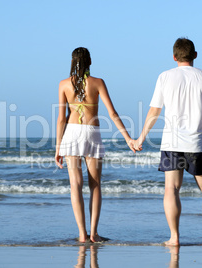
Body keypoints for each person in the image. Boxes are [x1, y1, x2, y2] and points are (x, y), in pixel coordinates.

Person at [134, 38, 202, 246]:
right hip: (197, 144)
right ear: (195, 55)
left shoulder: (165, 76)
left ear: (174, 57)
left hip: (171, 143)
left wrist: (141, 138)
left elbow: (154, 111)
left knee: (171, 189)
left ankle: (174, 238)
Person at [55, 47, 135, 243]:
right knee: (95, 185)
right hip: (92, 134)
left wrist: (58, 148)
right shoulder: (98, 83)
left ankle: (82, 234)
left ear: (72, 63)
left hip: (72, 134)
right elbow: (113, 113)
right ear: (90, 62)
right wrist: (127, 138)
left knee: (75, 185)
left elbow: (61, 119)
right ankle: (94, 233)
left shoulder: (64, 84)